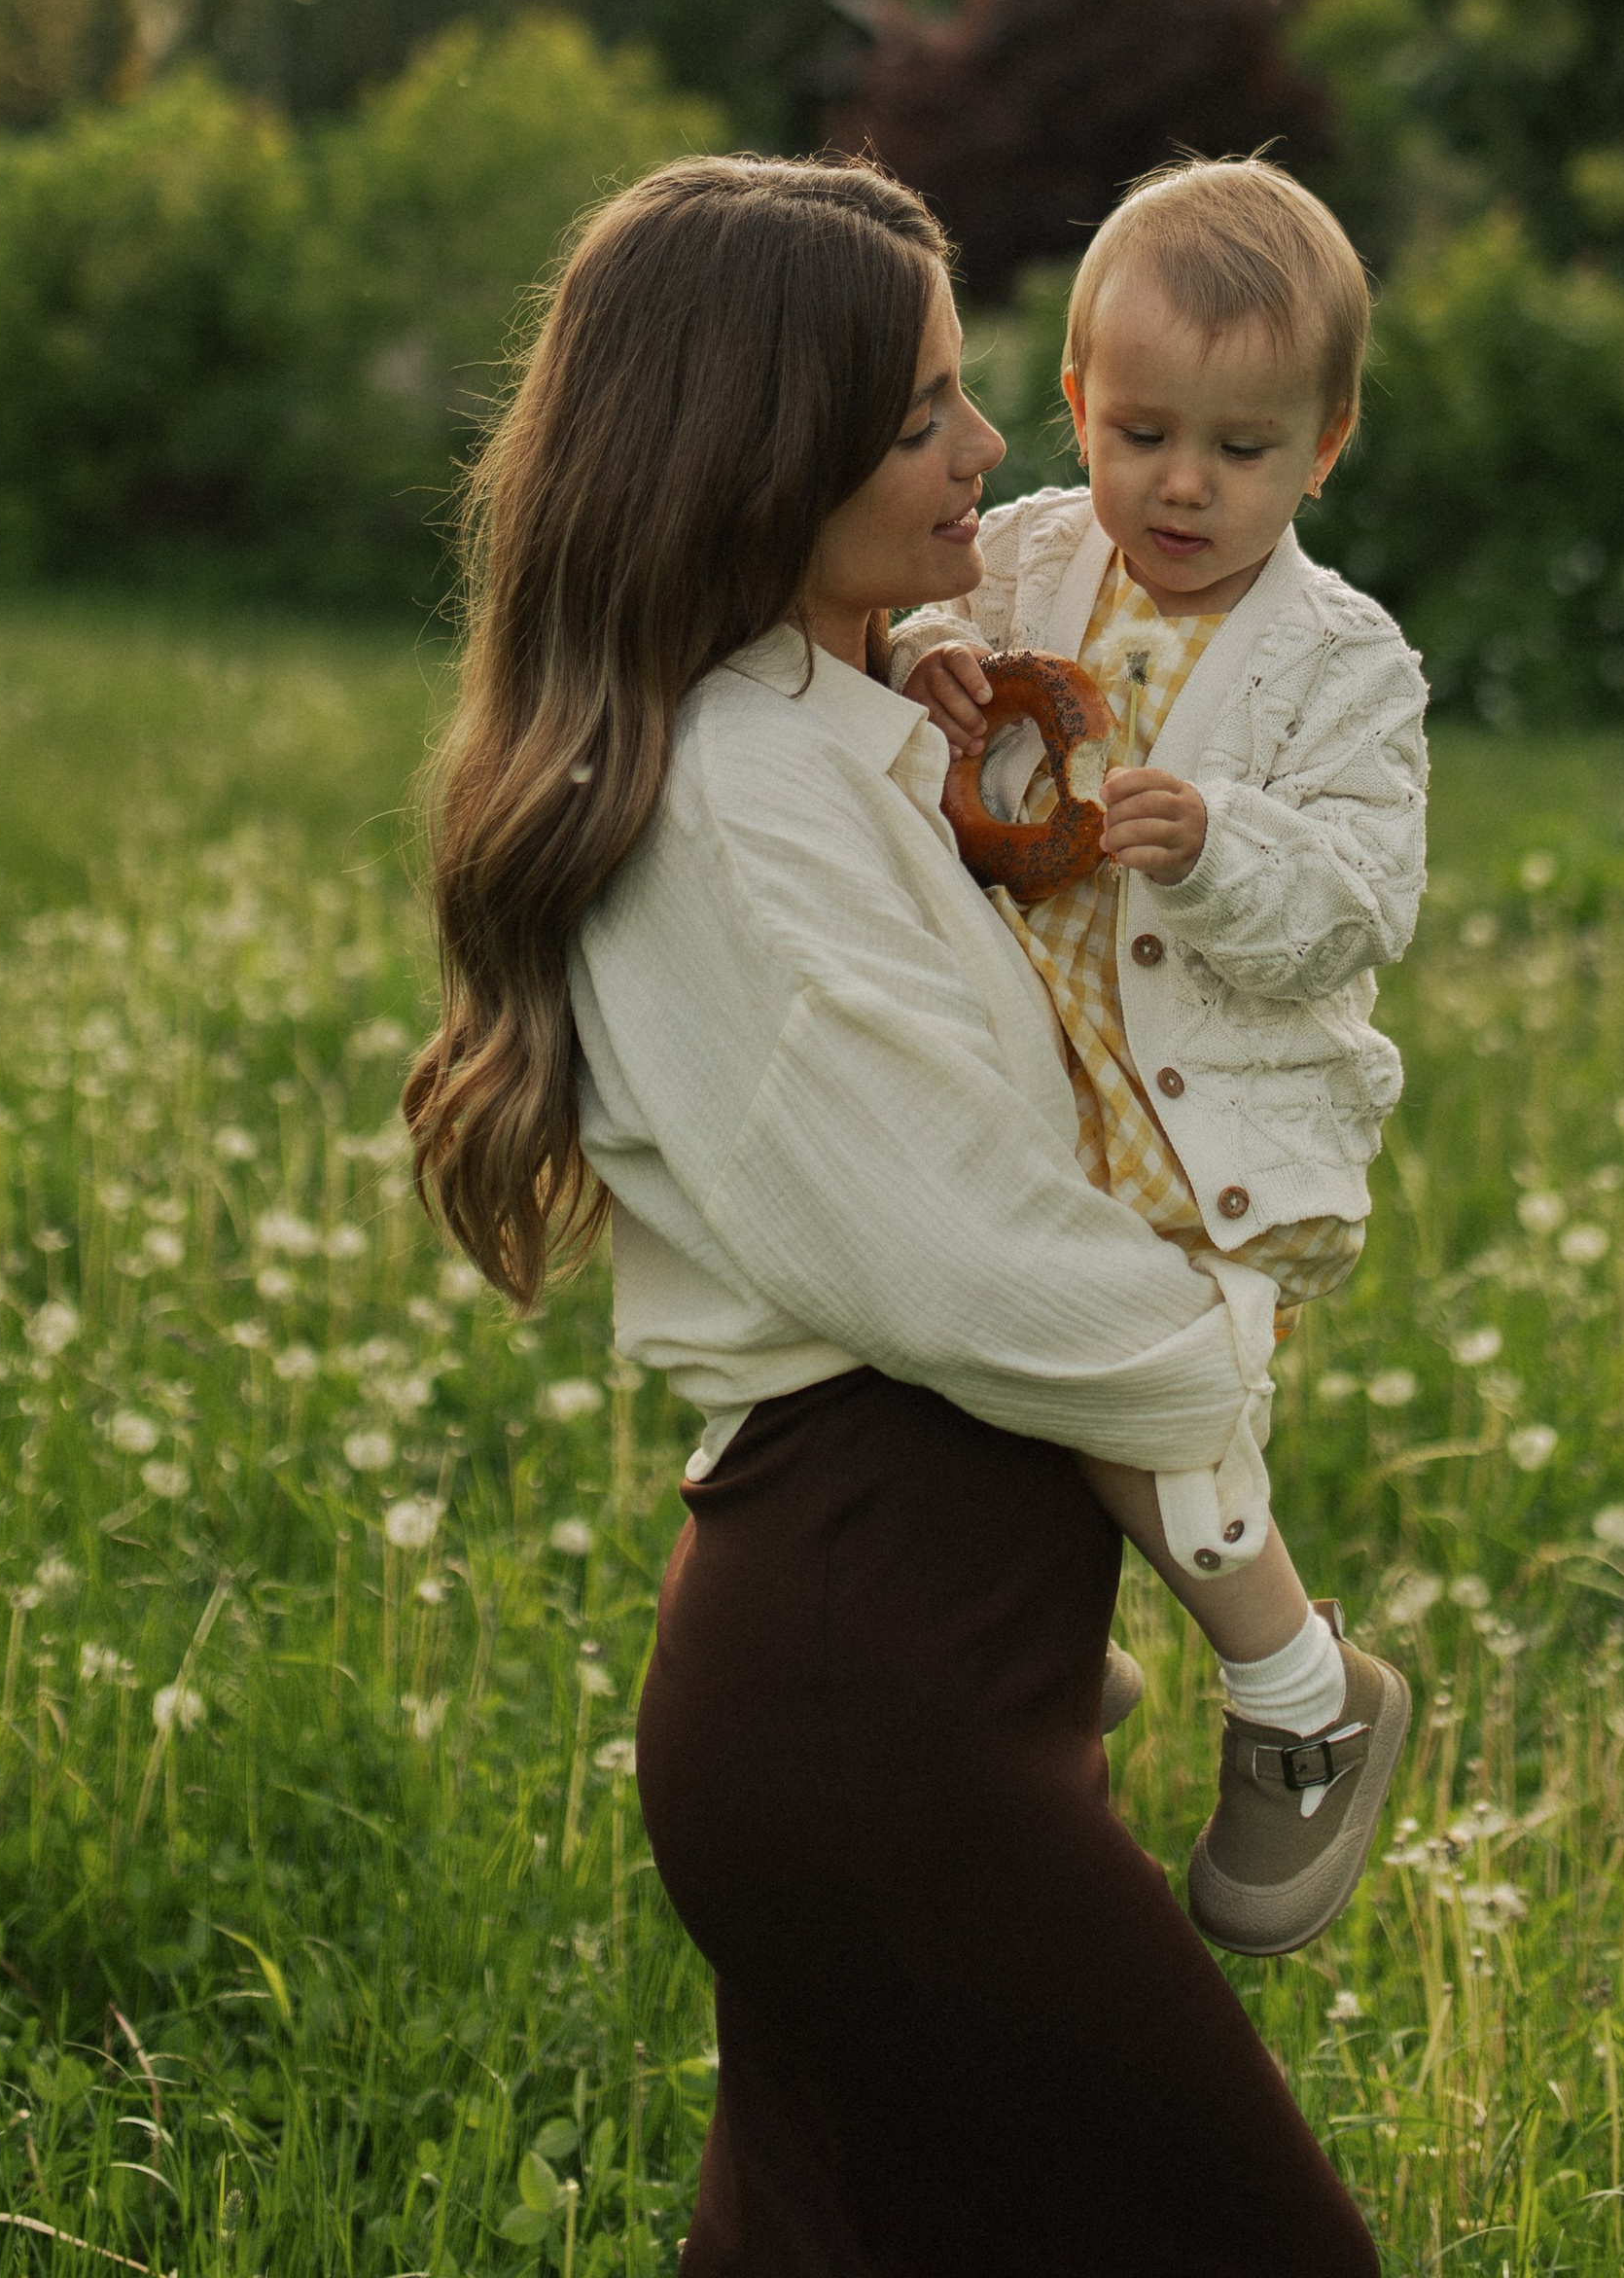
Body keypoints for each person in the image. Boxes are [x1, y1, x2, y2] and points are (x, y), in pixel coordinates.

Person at [405, 151, 1379, 2278]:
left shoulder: (832, 730)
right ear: (757, 457)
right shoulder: (728, 811)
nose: (980, 451)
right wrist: (1217, 1354)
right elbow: (961, 1254)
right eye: (915, 413)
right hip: (872, 1680)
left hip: (918, 1664)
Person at [894, 157, 1427, 1957]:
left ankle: (1302, 1699)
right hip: (1012, 1091)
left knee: (1165, 1422)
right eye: (1142, 432)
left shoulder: (1343, 666)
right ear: (1074, 408)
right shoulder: (1030, 560)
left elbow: (1367, 899)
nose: (1183, 485)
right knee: (941, 1369)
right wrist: (929, 670)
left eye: (1245, 448)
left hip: (1196, 1137)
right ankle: (1052, 1655)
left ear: (1327, 448)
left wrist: (1224, 849)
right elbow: (914, 643)